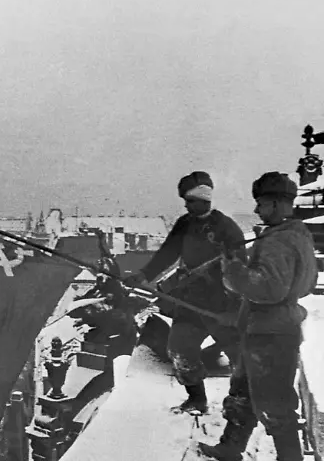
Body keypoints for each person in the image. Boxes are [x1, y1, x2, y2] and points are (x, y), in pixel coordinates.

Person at [198, 172, 316, 461]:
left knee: (274, 404)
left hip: (270, 334)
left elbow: (267, 289)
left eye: (260, 204)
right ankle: (230, 447)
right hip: (268, 328)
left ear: (275, 205)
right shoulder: (297, 236)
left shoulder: (279, 243)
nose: (256, 210)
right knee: (244, 392)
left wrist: (234, 268)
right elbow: (304, 283)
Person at [126, 171, 246, 413]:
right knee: (180, 349)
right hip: (189, 299)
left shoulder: (226, 228)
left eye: (190, 200)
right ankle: (197, 399)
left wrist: (230, 294)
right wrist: (144, 275)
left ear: (204, 199)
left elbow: (240, 265)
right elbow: (168, 253)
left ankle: (244, 405)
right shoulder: (185, 224)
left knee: (239, 357)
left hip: (220, 302)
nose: (186, 205)